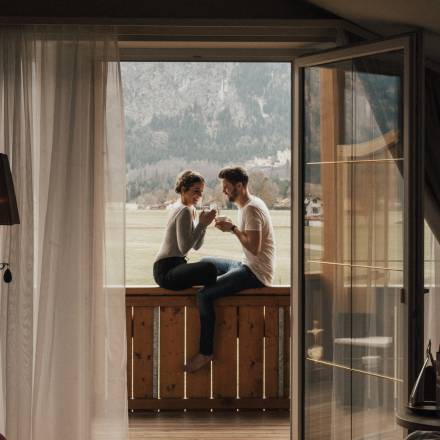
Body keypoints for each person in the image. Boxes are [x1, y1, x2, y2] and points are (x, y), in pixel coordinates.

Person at [185, 166, 275, 373]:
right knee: (207, 263)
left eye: (226, 187)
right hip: (246, 264)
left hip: (256, 273)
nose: (224, 191)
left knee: (204, 295)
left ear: (239, 186)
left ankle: (205, 352)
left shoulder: (251, 209)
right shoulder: (248, 205)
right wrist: (232, 227)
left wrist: (233, 229)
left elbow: (254, 246)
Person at [153, 170, 217, 290]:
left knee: (212, 267)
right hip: (166, 270)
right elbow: (184, 249)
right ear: (183, 190)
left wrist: (204, 225)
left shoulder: (190, 209)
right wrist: (201, 225)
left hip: (175, 266)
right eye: (196, 191)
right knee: (210, 268)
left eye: (201, 192)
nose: (200, 195)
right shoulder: (184, 210)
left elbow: (196, 246)